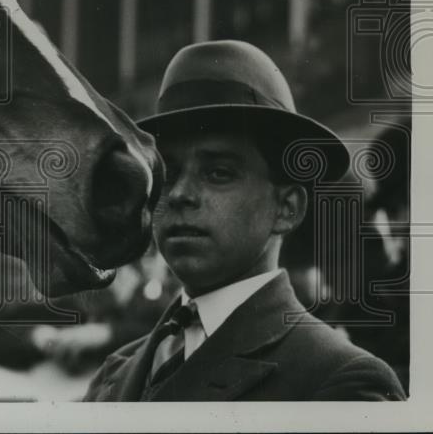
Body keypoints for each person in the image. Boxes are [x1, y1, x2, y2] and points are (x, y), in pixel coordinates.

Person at [83, 40, 405, 401]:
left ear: (287, 208)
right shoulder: (114, 374)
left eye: (219, 173)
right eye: (168, 174)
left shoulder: (339, 379)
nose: (179, 194)